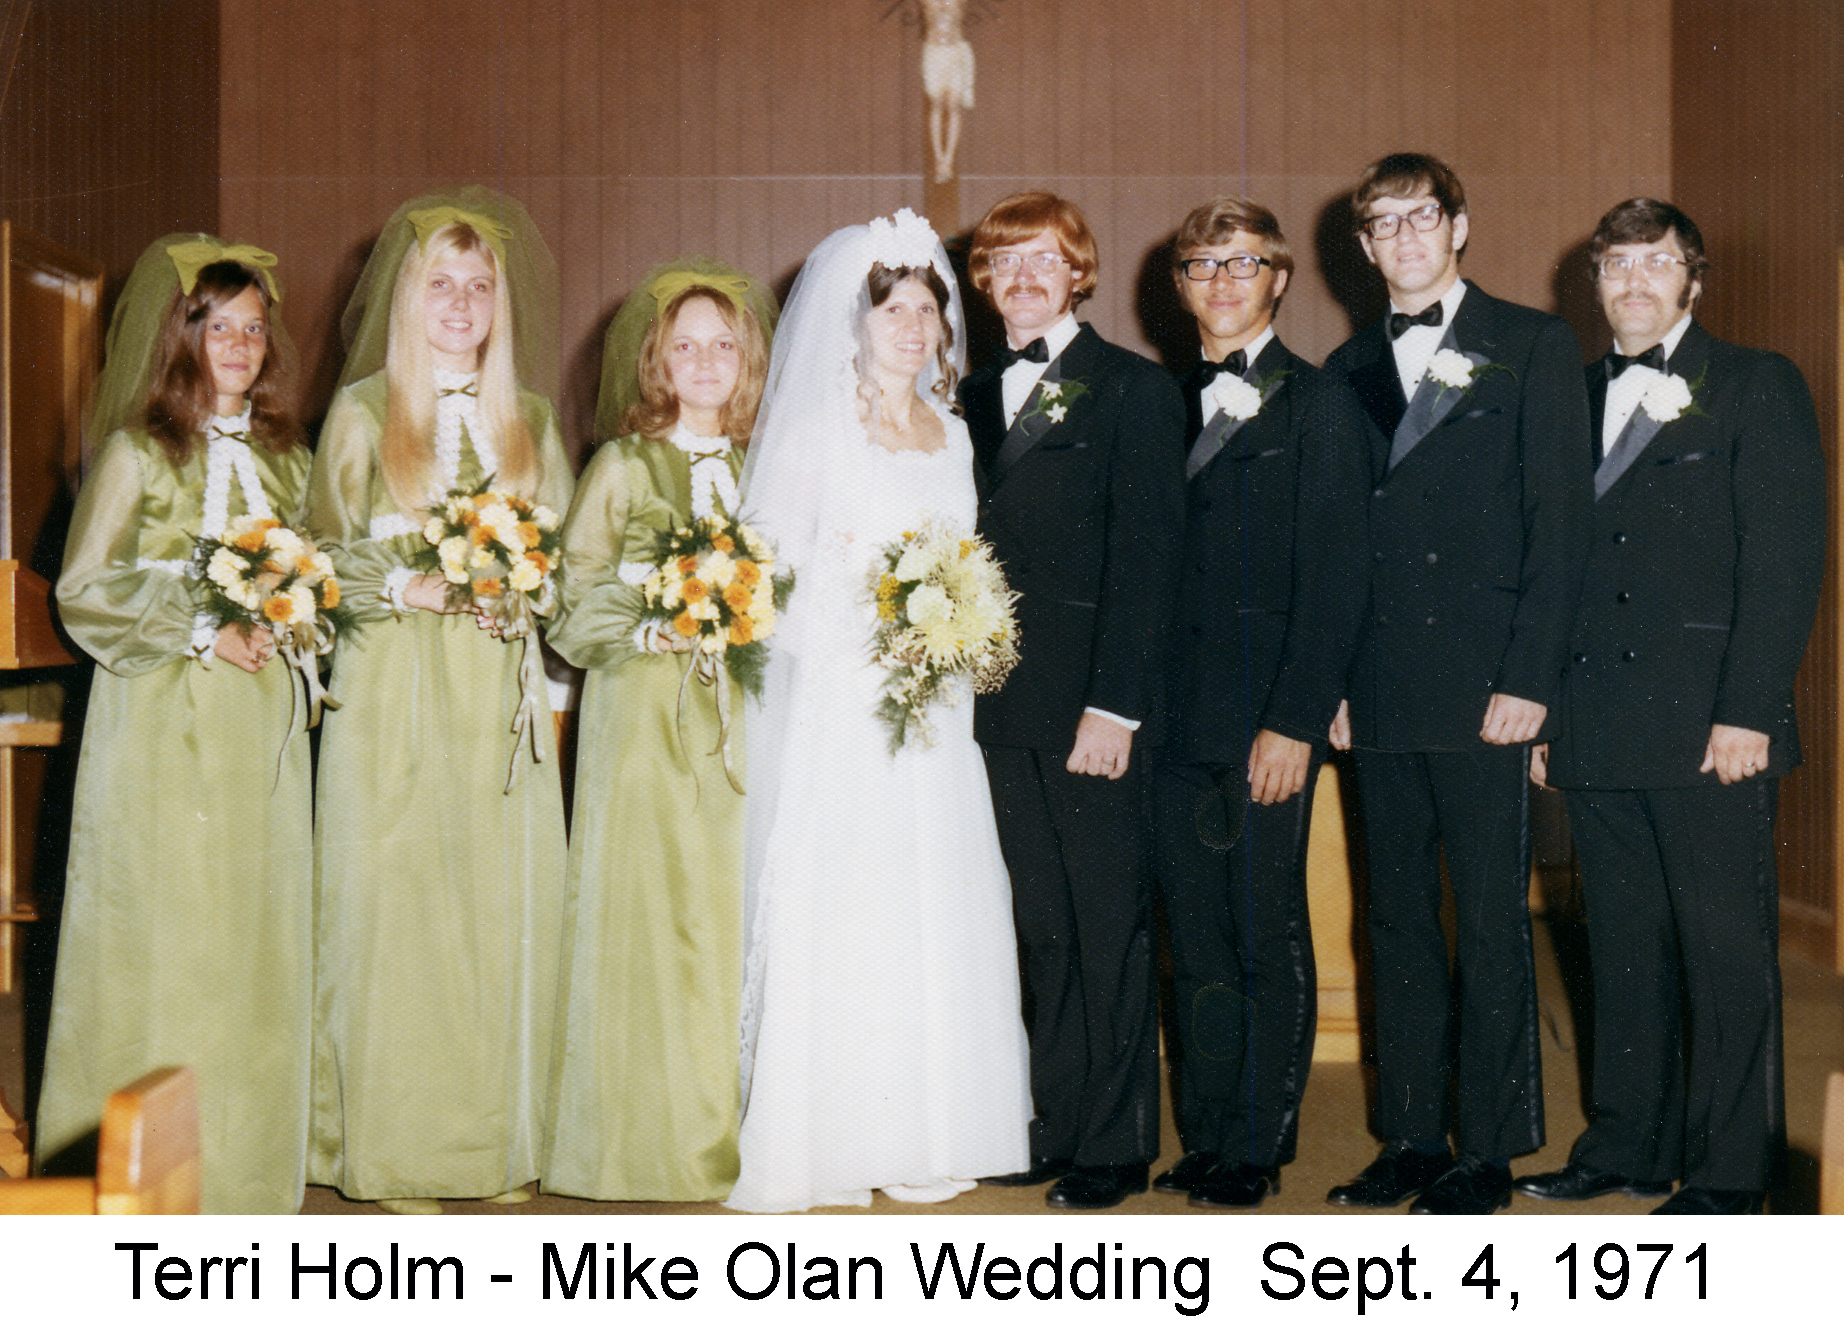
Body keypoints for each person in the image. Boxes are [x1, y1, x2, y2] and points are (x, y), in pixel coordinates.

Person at [1516, 199, 1824, 1216]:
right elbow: (1552, 571)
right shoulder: (1566, 394)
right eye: (1615, 267)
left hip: (1708, 730)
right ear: (1591, 284)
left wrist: (1747, 711)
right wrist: (1550, 717)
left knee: (1724, 957)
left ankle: (1734, 1172)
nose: (1635, 283)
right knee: (1621, 949)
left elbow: (1781, 567)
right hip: (1595, 726)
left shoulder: (1751, 384)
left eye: (1656, 264)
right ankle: (1626, 1145)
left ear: (1691, 280)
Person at [727, 208, 1031, 1212]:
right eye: (891, 307)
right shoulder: (818, 427)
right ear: (851, 326)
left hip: (935, 708)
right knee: (850, 905)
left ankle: (923, 1127)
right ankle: (837, 1129)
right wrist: (872, 634)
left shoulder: (949, 433)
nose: (911, 323)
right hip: (847, 704)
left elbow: (960, 557)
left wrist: (953, 629)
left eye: (925, 308)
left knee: (931, 902)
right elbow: (767, 573)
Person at [1320, 153, 1593, 1214]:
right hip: (1380, 691)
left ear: (1458, 224)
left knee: (1485, 920)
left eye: (1419, 216)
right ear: (1360, 245)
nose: (1401, 238)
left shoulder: (1527, 344)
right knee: (1392, 922)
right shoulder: (1342, 368)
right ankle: (1410, 1139)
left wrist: (1530, 679)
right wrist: (1334, 685)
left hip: (1485, 687)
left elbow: (1557, 530)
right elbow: (1339, 544)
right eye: (1380, 224)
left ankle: (1488, 1146)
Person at [306, 189, 572, 1214]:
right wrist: (404, 582)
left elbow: (557, 556)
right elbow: (320, 555)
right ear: (407, 299)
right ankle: (397, 1149)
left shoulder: (532, 420)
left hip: (493, 691)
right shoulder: (366, 410)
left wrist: (526, 590)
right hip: (394, 688)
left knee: (497, 910)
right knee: (399, 909)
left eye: (478, 286)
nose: (459, 303)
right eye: (440, 283)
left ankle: (490, 1143)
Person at [37, 235, 312, 1213]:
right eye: (214, 325)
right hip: (163, 723)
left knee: (252, 931)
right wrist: (201, 626)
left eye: (252, 327)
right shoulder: (139, 454)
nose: (237, 343)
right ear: (178, 337)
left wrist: (296, 619)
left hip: (260, 730)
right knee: (176, 933)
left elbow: (308, 572)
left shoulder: (287, 463)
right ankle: (145, 1170)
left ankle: (242, 1160)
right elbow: (84, 589)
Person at [960, 191, 1187, 1210]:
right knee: (1038, 926)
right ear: (981, 281)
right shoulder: (961, 396)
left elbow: (1148, 564)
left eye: (1042, 260)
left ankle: (1115, 1139)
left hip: (1092, 711)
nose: (1022, 278)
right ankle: (1050, 1120)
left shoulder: (1130, 389)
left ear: (1078, 271)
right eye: (1002, 261)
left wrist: (1118, 707)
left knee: (1106, 926)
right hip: (993, 707)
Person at [1149, 198, 1369, 1210]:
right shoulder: (1156, 404)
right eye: (1201, 265)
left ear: (1278, 280)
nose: (1222, 282)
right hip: (1167, 717)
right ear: (1179, 286)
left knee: (1258, 924)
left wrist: (1293, 717)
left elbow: (1332, 580)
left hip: (1261, 717)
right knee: (1191, 934)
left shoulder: (1318, 405)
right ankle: (1204, 1129)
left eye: (1242, 265)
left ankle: (1257, 1140)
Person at [543, 258, 775, 1202]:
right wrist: (655, 617)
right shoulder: (624, 464)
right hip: (643, 716)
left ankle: (728, 1123)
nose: (707, 360)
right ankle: (640, 1136)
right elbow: (568, 598)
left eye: (724, 343)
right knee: (649, 913)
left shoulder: (770, 463)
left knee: (731, 914)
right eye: (686, 344)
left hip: (749, 714)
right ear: (656, 362)